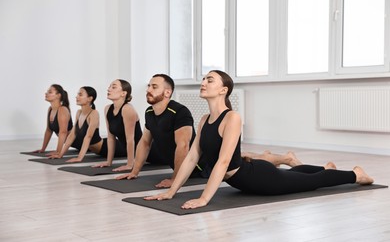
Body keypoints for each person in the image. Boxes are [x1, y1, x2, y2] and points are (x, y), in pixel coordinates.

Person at [144, 70, 374, 209]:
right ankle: (324, 167)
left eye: (210, 80)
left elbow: (223, 162)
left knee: (311, 182)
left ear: (223, 90)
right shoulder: (204, 119)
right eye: (204, 78)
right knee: (293, 174)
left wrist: (204, 198)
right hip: (245, 177)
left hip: (260, 179)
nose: (203, 82)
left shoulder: (232, 117)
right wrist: (171, 191)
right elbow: (192, 157)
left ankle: (356, 174)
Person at [116, 74, 303, 188]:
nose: (148, 89)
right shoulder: (149, 111)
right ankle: (274, 156)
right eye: (148, 85)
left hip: (202, 165)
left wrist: (175, 179)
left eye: (153, 86)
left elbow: (183, 147)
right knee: (243, 155)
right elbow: (145, 142)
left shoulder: (179, 112)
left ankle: (285, 158)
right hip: (189, 164)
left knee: (240, 159)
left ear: (167, 92)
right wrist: (135, 171)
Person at [48, 86, 132, 162]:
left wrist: (80, 157)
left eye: (80, 94)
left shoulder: (94, 114)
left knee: (135, 152)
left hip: (108, 148)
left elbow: (88, 137)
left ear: (90, 98)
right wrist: (60, 154)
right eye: (77, 94)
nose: (77, 96)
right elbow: (72, 135)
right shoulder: (79, 113)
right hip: (99, 151)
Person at [92, 80, 142, 168]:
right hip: (133, 151)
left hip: (149, 152)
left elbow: (130, 140)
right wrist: (108, 162)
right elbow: (111, 138)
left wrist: (130, 164)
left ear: (123, 93)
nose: (109, 89)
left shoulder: (127, 109)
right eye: (109, 86)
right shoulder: (107, 109)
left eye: (113, 87)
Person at [34, 84, 74, 156]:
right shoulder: (50, 109)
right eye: (47, 92)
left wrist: (58, 151)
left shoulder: (62, 109)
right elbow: (49, 130)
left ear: (58, 95)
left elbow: (63, 132)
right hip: (76, 145)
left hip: (84, 142)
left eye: (50, 92)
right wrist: (43, 149)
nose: (46, 93)